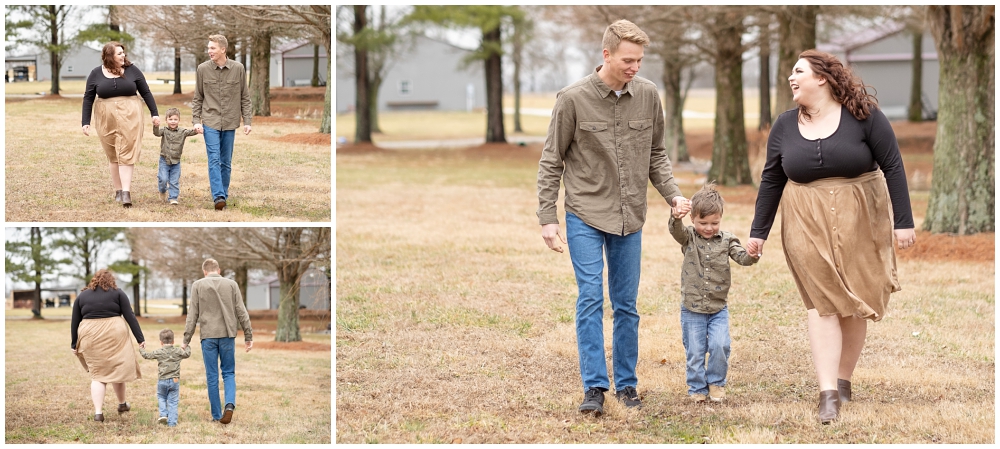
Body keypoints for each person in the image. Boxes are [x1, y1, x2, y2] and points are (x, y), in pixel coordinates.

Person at [745, 49, 916, 424]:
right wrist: (759, 234)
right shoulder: (785, 125)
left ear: (822, 78)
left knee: (855, 300)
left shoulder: (864, 116)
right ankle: (827, 394)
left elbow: (893, 166)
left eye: (798, 71)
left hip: (862, 214)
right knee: (822, 303)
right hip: (805, 218)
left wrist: (904, 221)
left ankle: (843, 379)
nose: (791, 77)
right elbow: (772, 179)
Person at [536, 19, 691, 416]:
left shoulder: (648, 95)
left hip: (630, 217)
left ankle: (627, 384)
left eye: (639, 60)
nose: (635, 67)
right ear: (606, 55)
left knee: (626, 304)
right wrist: (547, 217)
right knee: (590, 298)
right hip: (585, 213)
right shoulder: (572, 99)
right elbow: (551, 161)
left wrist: (673, 194)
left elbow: (656, 153)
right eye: (628, 60)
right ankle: (594, 387)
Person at [668, 183, 757, 403]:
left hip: (718, 308)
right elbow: (675, 230)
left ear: (721, 219)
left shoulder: (727, 240)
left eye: (714, 223)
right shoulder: (688, 237)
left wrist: (753, 254)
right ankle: (697, 387)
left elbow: (742, 258)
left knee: (720, 344)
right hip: (693, 308)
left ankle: (716, 383)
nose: (709, 228)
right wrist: (676, 216)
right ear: (693, 220)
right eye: (703, 223)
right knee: (695, 351)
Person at [81, 41, 160, 208]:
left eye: (123, 53)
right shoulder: (96, 73)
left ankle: (126, 192)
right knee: (112, 154)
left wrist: (155, 113)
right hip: (105, 116)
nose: (123, 55)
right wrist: (85, 122)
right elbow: (88, 97)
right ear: (110, 56)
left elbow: (145, 92)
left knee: (127, 151)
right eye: (119, 53)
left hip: (130, 114)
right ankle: (118, 190)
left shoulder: (133, 70)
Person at [183, 259, 253, 424]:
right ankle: (229, 405)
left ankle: (216, 416)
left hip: (208, 336)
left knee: (212, 375)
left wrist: (186, 339)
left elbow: (192, 314)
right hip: (228, 335)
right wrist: (248, 336)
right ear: (219, 270)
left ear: (204, 271)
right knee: (228, 373)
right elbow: (241, 311)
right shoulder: (231, 284)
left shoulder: (198, 285)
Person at [70, 269, 145, 422]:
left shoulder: (82, 296)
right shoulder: (118, 293)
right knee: (117, 368)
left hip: (89, 335)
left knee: (98, 375)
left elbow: (75, 320)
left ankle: (98, 413)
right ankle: (122, 404)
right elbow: (129, 315)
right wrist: (140, 338)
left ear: (94, 280)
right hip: (115, 334)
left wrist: (73, 343)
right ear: (111, 280)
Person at [191, 34, 252, 211]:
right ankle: (218, 196)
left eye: (212, 48)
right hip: (210, 120)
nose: (209, 51)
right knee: (214, 158)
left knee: (225, 161)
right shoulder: (202, 69)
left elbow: (245, 97)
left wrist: (247, 121)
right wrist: (196, 120)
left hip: (230, 121)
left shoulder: (238, 68)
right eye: (208, 48)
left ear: (223, 49)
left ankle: (222, 194)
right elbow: (198, 98)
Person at [139, 329, 191, 427]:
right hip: (174, 380)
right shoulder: (178, 351)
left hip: (162, 380)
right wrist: (187, 346)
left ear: (161, 342)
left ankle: (163, 414)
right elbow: (187, 354)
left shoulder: (159, 351)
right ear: (173, 341)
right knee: (173, 401)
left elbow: (147, 355)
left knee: (161, 397)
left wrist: (141, 348)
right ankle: (172, 423)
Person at [153, 107, 199, 205]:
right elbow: (156, 133)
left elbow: (191, 132)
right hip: (164, 160)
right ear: (166, 120)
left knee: (174, 181)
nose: (173, 121)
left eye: (175, 119)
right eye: (170, 119)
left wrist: (197, 129)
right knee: (163, 179)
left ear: (179, 120)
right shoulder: (164, 131)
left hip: (176, 162)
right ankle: (162, 190)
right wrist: (156, 126)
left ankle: (173, 198)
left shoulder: (182, 131)